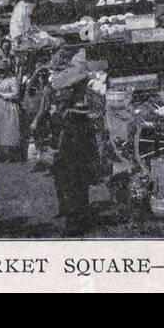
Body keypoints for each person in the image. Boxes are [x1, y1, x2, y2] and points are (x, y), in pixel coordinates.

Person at [52, 93, 100, 235]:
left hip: (70, 162)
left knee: (71, 190)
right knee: (81, 191)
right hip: (81, 163)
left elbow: (62, 144)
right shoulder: (88, 126)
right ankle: (80, 219)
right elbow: (93, 148)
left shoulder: (69, 125)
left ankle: (74, 222)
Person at [0, 57, 24, 168]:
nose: (1, 73)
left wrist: (3, 95)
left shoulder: (12, 80)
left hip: (8, 106)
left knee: (8, 128)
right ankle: (1, 153)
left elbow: (16, 93)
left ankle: (9, 154)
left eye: (3, 70)